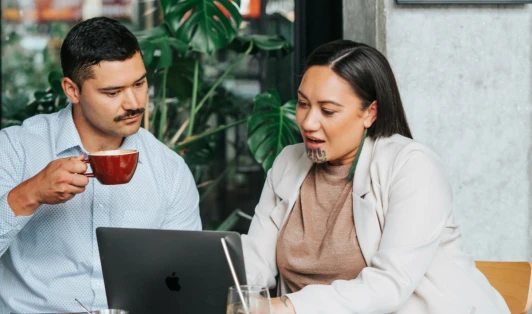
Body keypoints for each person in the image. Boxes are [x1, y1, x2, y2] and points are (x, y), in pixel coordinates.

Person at [241, 40, 510, 314]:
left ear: (370, 112)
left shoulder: (412, 166)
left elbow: (389, 285)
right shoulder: (289, 162)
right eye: (302, 103)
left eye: (328, 111)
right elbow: (254, 263)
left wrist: (285, 307)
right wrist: (240, 299)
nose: (308, 122)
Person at [0, 17, 201, 313]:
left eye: (140, 83)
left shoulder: (169, 170)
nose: (133, 102)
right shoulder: (15, 149)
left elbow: (186, 278)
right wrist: (30, 194)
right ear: (72, 90)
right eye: (113, 92)